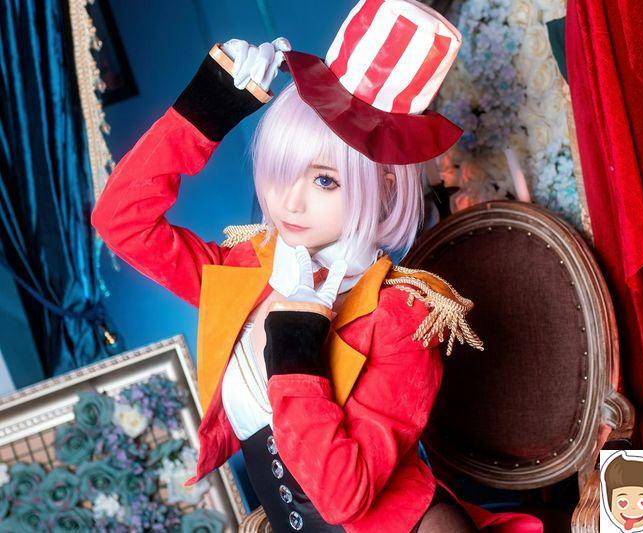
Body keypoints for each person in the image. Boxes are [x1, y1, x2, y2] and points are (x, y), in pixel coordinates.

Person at [91, 1, 543, 531]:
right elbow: (120, 220)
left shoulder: (400, 316)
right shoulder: (245, 271)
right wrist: (205, 112)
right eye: (282, 168)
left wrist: (295, 346)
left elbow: (342, 499)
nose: (290, 202)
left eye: (324, 180)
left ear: (386, 186)